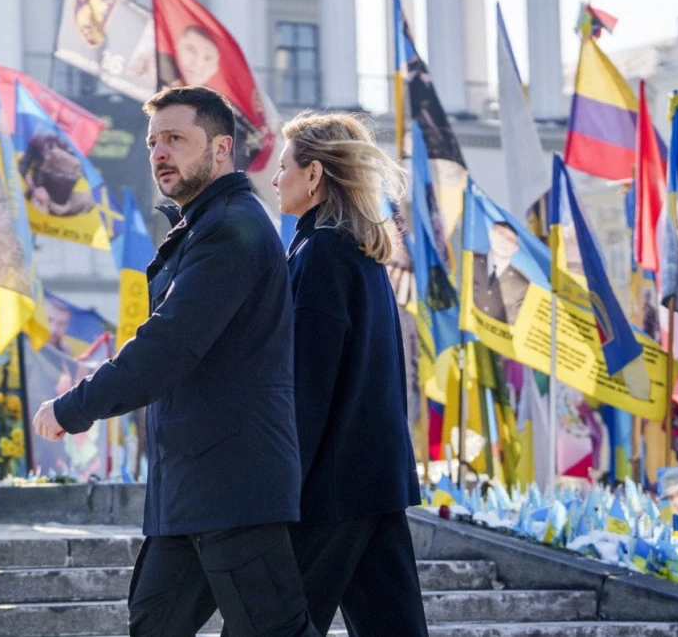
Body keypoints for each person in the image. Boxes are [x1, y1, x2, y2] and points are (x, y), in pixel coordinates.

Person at [33, 85, 316, 637]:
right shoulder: (202, 226)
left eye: (176, 139)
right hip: (190, 486)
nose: (160, 152)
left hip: (234, 484)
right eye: (153, 142)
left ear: (220, 149)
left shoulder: (231, 228)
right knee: (154, 624)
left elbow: (167, 345)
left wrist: (76, 406)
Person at [271, 112, 429, 636]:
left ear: (313, 175)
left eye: (283, 166)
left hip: (332, 488)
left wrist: (281, 487)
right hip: (375, 478)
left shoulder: (321, 254)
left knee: (272, 625)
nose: (275, 178)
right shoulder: (356, 249)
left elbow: (308, 386)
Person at [472, 221, 530, 324]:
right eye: (501, 234)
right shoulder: (470, 262)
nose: (504, 241)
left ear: (516, 248)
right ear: (491, 234)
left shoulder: (521, 285)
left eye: (511, 239)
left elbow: (516, 326)